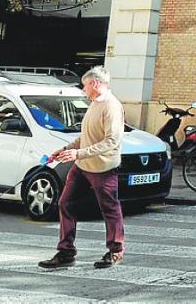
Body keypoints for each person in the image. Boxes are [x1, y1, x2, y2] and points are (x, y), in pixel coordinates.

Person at [39, 66, 125, 270]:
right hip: (82, 165)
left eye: (85, 85)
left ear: (95, 84)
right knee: (65, 203)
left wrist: (79, 153)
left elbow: (111, 141)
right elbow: (85, 136)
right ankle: (66, 252)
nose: (83, 89)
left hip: (103, 167)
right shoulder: (94, 103)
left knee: (110, 208)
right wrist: (65, 149)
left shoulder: (111, 106)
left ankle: (115, 251)